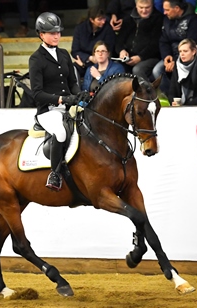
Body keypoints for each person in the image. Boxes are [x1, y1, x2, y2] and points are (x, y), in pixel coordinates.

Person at [29, 12, 81, 191]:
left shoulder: (64, 54)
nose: (56, 35)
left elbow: (72, 83)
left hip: (67, 106)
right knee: (60, 132)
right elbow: (37, 93)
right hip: (48, 111)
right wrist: (60, 98)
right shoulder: (36, 59)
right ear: (41, 34)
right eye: (52, 33)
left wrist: (79, 95)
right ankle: (55, 173)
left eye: (58, 32)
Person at [153, 0, 197, 94]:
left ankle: (182, 96)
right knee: (157, 70)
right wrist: (167, 56)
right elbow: (163, 41)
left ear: (176, 8)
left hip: (188, 56)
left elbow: (192, 44)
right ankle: (172, 97)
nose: (164, 13)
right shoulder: (166, 20)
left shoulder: (193, 20)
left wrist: (176, 60)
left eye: (167, 10)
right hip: (171, 55)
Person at [115, 0, 163, 81]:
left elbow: (155, 45)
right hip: (129, 56)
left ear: (152, 5)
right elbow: (119, 40)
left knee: (137, 69)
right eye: (141, 7)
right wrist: (121, 51)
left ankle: (147, 92)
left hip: (150, 57)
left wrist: (140, 57)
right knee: (115, 67)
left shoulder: (159, 19)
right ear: (136, 6)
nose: (144, 11)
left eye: (147, 7)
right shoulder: (128, 18)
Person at [72, 6, 116, 80]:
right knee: (71, 70)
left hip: (102, 62)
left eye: (104, 18)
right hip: (85, 61)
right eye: (99, 19)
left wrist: (96, 58)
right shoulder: (80, 29)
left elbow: (109, 49)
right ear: (91, 20)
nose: (103, 21)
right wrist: (89, 58)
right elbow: (75, 51)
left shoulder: (108, 29)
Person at [168, 38, 197, 105]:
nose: (182, 54)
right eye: (180, 51)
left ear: (193, 52)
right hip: (181, 107)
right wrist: (174, 102)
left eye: (185, 51)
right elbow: (172, 92)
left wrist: (187, 106)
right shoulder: (177, 66)